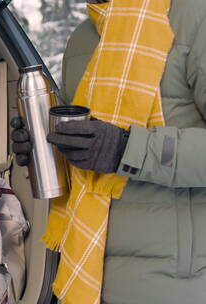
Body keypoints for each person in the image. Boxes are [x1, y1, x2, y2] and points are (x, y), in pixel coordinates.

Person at [12, 0, 206, 303]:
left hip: (177, 282)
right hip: (88, 272)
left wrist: (127, 148)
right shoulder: (82, 37)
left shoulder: (193, 16)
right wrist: (46, 146)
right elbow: (88, 144)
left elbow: (115, 146)